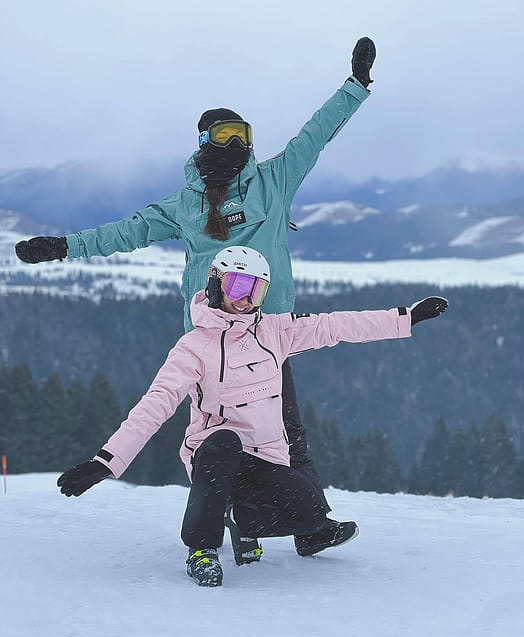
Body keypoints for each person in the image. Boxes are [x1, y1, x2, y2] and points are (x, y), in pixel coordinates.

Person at [17, 37, 377, 556]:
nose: (237, 144)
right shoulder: (185, 205)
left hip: (271, 331)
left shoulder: (273, 181)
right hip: (209, 340)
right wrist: (63, 247)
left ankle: (303, 525)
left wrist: (356, 86)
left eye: (244, 134)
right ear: (204, 139)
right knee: (222, 439)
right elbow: (125, 232)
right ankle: (251, 520)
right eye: (226, 134)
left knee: (282, 432)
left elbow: (315, 136)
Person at [57, 246, 448, 587]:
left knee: (310, 510)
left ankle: (242, 520)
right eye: (237, 287)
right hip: (213, 456)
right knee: (225, 440)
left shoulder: (275, 332)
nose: (244, 300)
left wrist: (404, 318)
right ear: (215, 285)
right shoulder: (193, 347)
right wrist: (106, 462)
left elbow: (335, 325)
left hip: (265, 458)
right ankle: (202, 549)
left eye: (255, 290)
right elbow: (155, 404)